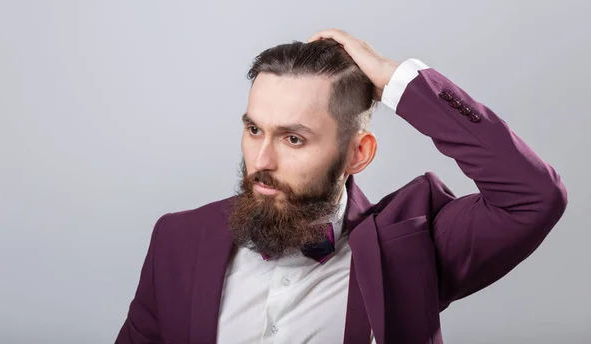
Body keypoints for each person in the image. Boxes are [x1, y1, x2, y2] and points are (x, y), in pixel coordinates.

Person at [115, 29, 567, 344]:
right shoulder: (177, 239)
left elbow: (533, 196)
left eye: (293, 139)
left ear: (359, 154)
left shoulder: (412, 245)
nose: (262, 161)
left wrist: (396, 81)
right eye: (254, 131)